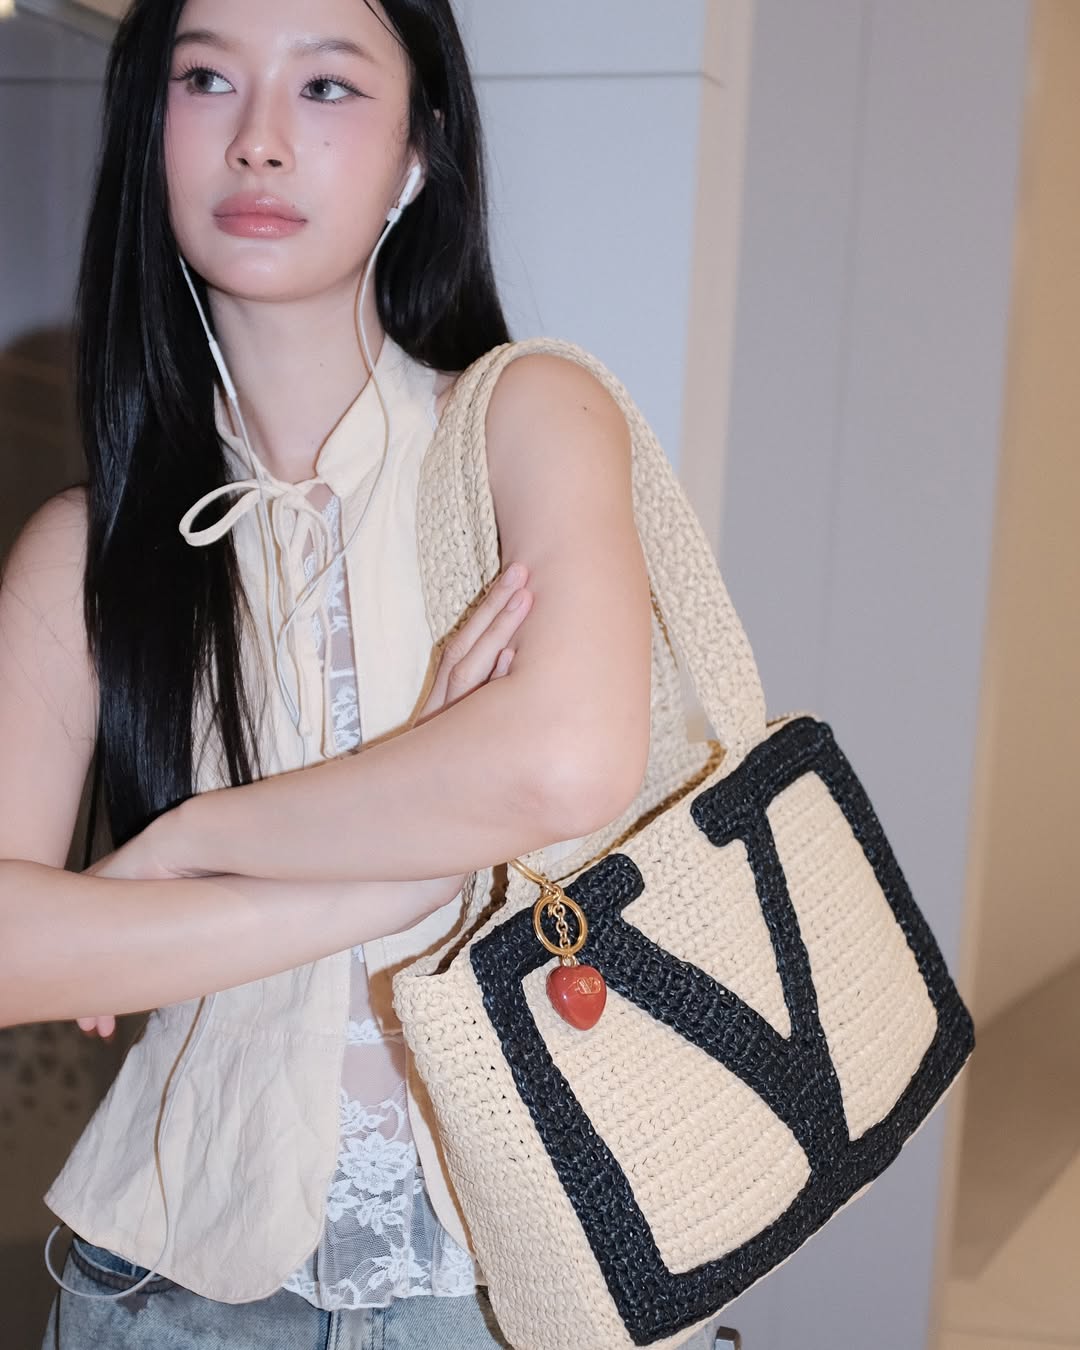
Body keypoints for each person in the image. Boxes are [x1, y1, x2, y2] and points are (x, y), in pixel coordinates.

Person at [0, 0, 724, 1346]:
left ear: (417, 151)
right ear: (149, 129)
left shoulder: (527, 420)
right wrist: (394, 878)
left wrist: (188, 846)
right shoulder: (83, 552)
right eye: (205, 79)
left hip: (508, 1291)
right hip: (172, 1293)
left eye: (327, 87)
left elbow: (563, 760)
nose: (260, 139)